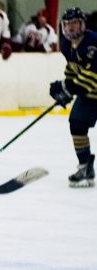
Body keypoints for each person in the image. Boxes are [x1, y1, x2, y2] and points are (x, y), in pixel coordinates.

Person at [49, 7, 97, 188]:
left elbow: (92, 76)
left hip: (91, 89)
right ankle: (85, 168)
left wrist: (67, 88)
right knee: (77, 123)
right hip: (90, 96)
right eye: (67, 24)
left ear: (83, 25)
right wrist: (64, 87)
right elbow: (73, 69)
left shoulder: (94, 42)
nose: (70, 28)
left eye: (74, 24)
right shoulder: (67, 45)